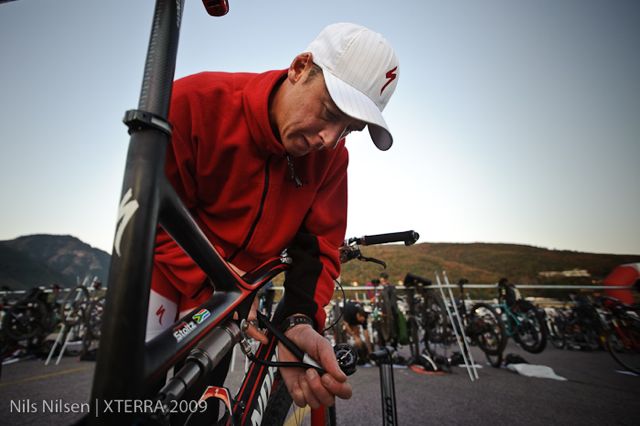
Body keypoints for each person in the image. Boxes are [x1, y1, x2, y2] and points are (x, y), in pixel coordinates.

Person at [145, 22, 400, 416]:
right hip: (166, 275)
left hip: (231, 298)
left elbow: (319, 245)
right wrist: (224, 283)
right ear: (299, 67)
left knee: (197, 409)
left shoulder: (331, 159)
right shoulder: (194, 101)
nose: (330, 140)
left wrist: (299, 318)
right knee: (130, 400)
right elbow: (148, 215)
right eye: (331, 111)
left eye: (349, 128)